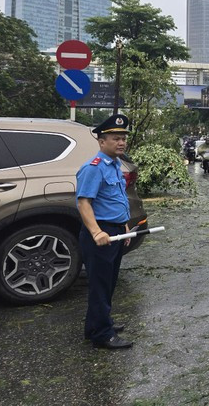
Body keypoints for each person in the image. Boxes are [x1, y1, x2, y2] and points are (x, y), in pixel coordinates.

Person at [76, 114, 133, 349]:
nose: (120, 142)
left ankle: (97, 324)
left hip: (116, 231)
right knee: (100, 284)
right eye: (115, 138)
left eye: (123, 138)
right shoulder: (93, 168)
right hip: (101, 234)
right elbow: (84, 203)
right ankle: (102, 334)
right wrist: (97, 232)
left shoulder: (115, 165)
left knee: (108, 282)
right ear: (101, 142)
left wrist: (125, 225)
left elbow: (116, 199)